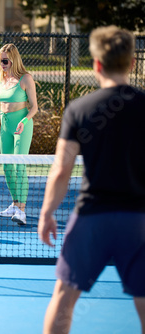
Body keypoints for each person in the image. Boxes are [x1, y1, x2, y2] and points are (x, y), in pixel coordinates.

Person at [38, 26, 145, 333]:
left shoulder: (79, 109)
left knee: (64, 298)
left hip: (91, 217)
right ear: (132, 63)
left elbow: (61, 169)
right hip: (138, 220)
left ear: (97, 64)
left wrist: (46, 213)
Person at [0, 44, 38, 226]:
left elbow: (34, 107)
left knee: (19, 166)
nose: (2, 64)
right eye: (0, 60)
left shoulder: (25, 79)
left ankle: (21, 210)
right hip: (5, 126)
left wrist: (25, 121)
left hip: (22, 124)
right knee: (7, 166)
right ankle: (14, 204)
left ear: (14, 59)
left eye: (5, 60)